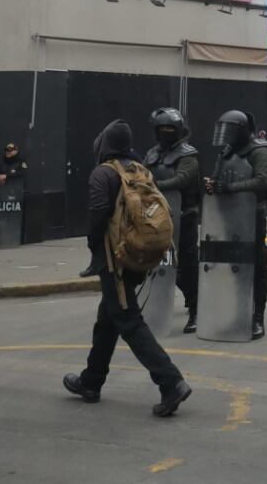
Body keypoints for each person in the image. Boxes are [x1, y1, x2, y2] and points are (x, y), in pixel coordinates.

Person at [62, 119, 192, 417]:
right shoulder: (140, 170)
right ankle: (91, 382)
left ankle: (171, 381)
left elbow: (97, 216)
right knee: (108, 318)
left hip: (115, 259)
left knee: (128, 321)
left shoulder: (103, 173)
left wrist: (94, 250)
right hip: (138, 257)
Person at [202, 109, 267, 339]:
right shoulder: (226, 151)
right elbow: (217, 176)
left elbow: (262, 181)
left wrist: (230, 188)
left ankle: (257, 318)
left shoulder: (260, 151)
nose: (227, 136)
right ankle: (237, 315)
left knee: (256, 267)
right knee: (233, 270)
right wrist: (212, 185)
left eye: (231, 131)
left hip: (252, 216)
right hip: (228, 217)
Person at [144, 107, 200, 334]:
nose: (165, 133)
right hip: (156, 217)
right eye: (161, 129)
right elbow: (142, 173)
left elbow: (182, 179)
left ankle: (197, 307)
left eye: (169, 129)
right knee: (162, 263)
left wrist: (155, 186)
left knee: (186, 264)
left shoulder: (188, 155)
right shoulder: (152, 154)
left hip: (183, 216)